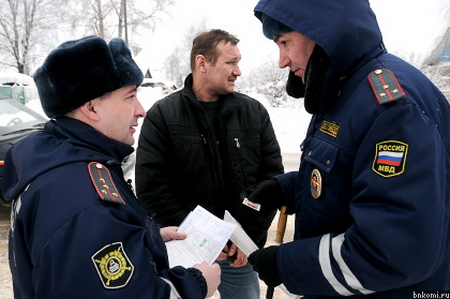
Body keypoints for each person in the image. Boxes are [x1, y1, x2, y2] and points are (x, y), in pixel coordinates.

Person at [243, 0, 450, 298]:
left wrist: (286, 265)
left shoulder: (390, 107)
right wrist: (287, 188)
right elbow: (345, 176)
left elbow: (392, 252)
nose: (282, 61)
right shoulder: (346, 90)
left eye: (285, 42)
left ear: (323, 33)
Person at [2, 35, 221, 298]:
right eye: (130, 97)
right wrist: (196, 284)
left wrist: (146, 240)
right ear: (92, 108)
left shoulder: (59, 163)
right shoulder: (85, 202)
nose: (141, 110)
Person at [135, 29, 284, 299]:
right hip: (185, 252)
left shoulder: (254, 113)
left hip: (238, 254)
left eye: (238, 62)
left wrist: (245, 240)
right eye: (230, 62)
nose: (238, 71)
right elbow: (152, 188)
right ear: (202, 63)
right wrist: (205, 238)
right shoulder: (162, 116)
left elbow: (271, 181)